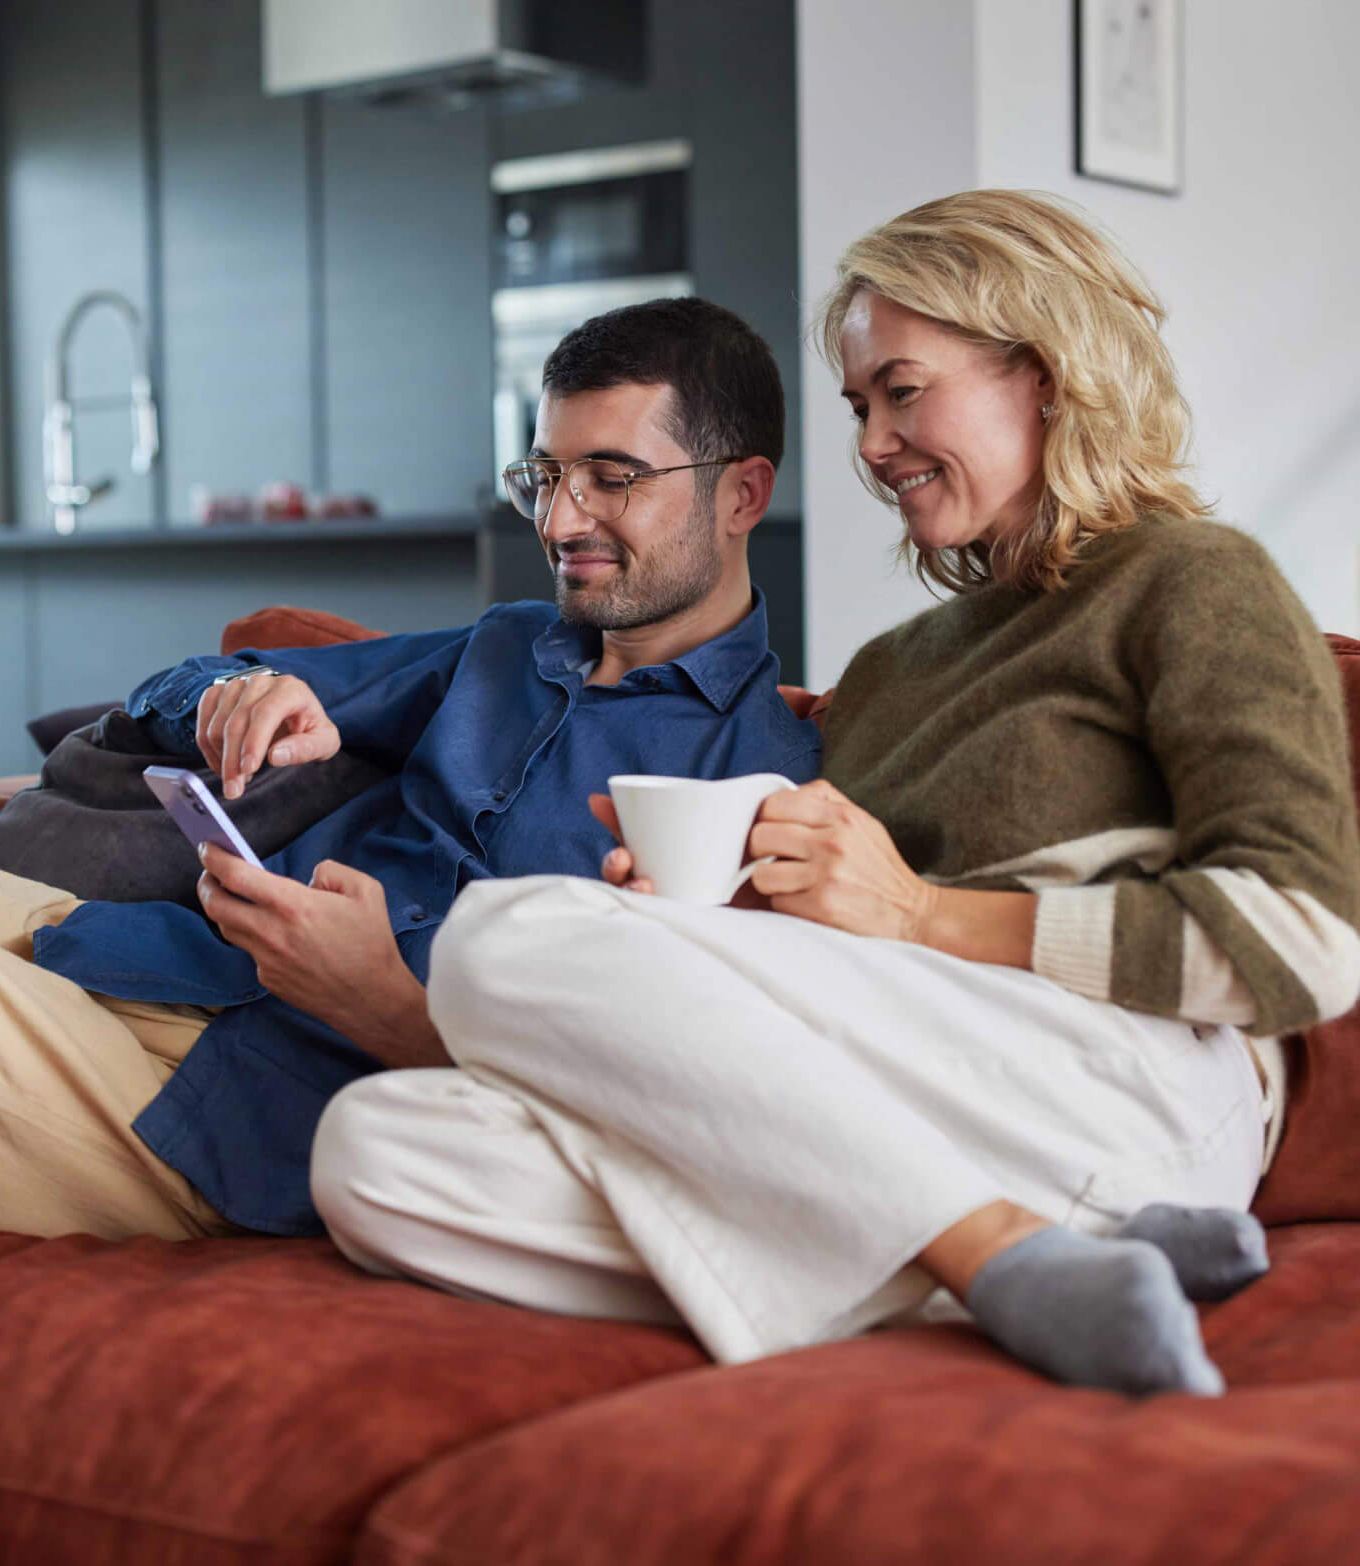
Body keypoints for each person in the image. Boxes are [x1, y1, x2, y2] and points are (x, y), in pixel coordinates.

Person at [308, 190, 1360, 1396]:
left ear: (1047, 376)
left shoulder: (1188, 581)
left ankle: (996, 1251)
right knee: (379, 1156)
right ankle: (1036, 1252)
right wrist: (709, 925)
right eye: (860, 406)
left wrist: (922, 915)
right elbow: (846, 966)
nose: (866, 445)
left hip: (1136, 1087)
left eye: (902, 392)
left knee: (495, 937)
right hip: (923, 1107)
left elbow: (1300, 943)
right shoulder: (884, 674)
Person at [0, 296, 820, 1244]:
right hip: (108, 951)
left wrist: (390, 1004)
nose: (562, 517)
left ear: (741, 494)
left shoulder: (759, 789)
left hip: (208, 1120)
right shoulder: (509, 646)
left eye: (611, 476)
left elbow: (653, 1106)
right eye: (545, 476)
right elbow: (174, 685)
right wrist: (242, 696)